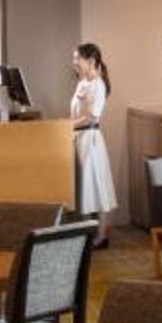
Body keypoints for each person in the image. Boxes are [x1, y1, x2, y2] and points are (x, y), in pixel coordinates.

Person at [68, 42, 116, 230]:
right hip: (78, 140)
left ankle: (101, 235)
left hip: (90, 140)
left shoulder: (98, 85)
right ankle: (84, 233)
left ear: (91, 61)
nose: (74, 62)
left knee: (94, 188)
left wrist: (68, 126)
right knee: (83, 188)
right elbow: (76, 113)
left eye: (77, 58)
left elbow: (92, 117)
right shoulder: (82, 83)